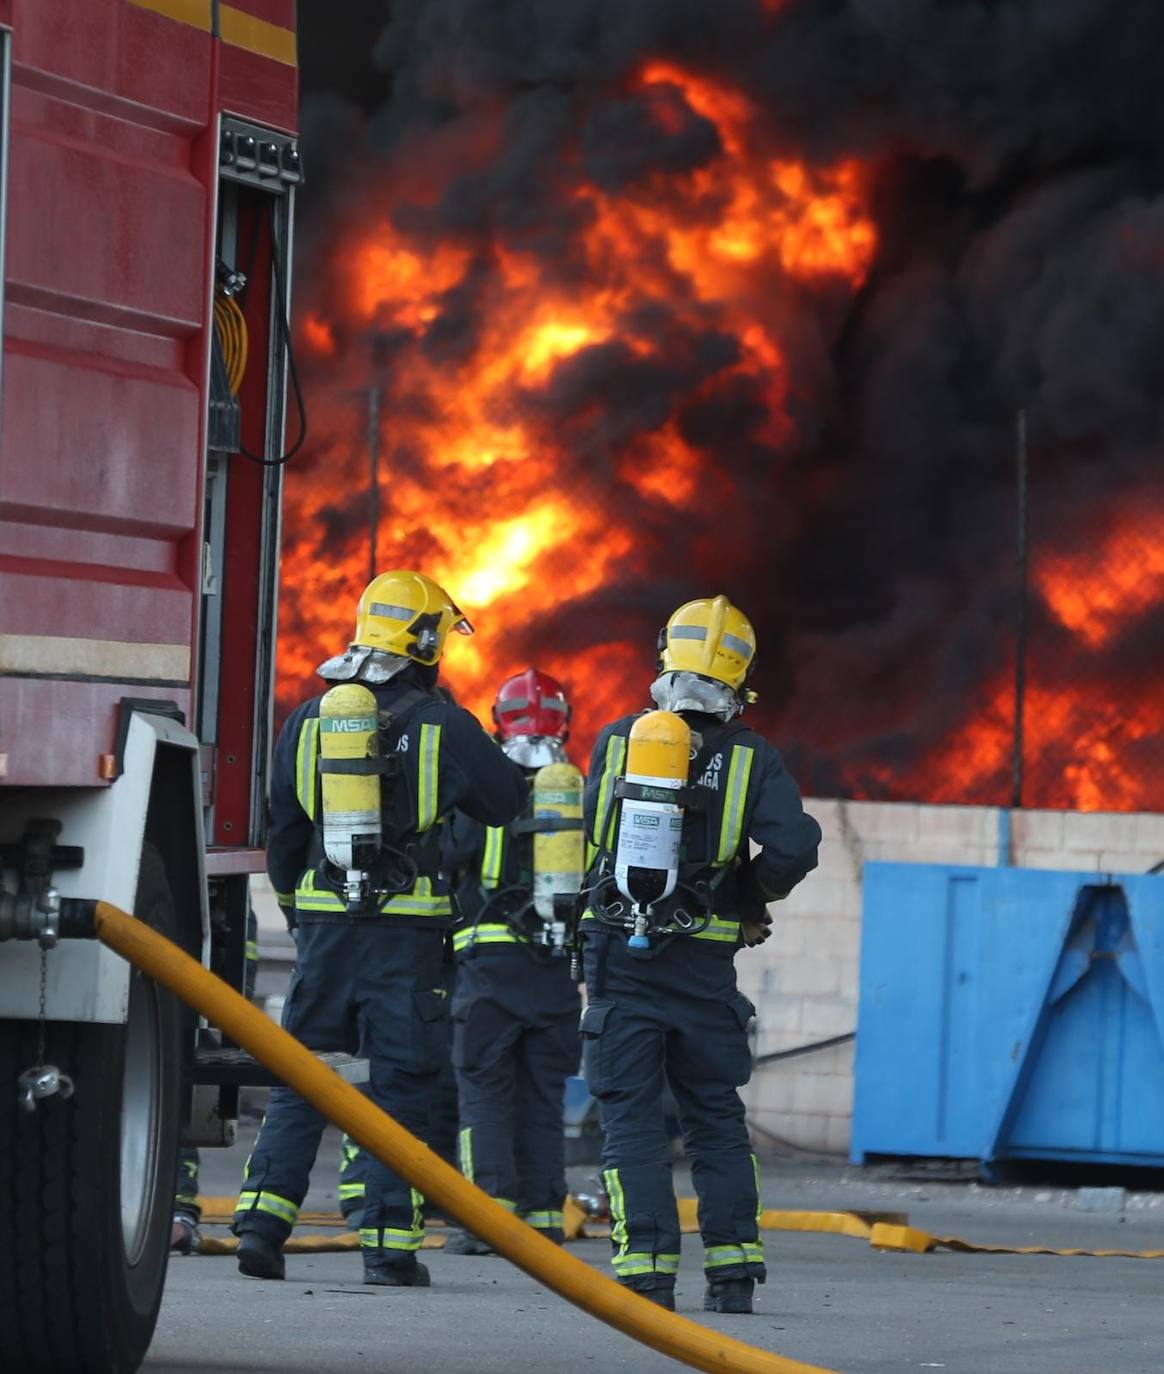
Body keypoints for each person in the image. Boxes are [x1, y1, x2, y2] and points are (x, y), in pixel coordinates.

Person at [232, 570, 527, 1287]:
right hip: (407, 940)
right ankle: (389, 1249)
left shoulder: (308, 719)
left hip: (325, 932)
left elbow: (283, 834)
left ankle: (263, 1227)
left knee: (305, 1076)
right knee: (403, 1083)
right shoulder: (443, 725)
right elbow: (505, 800)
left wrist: (303, 917)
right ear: (424, 641)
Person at [580, 595, 820, 1314]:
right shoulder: (752, 757)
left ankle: (646, 1275)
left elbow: (596, 834)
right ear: (738, 674)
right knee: (714, 1116)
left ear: (667, 658)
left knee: (630, 1123)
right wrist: (746, 895)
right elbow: (798, 847)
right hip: (705, 972)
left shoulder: (620, 739)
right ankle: (734, 1274)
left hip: (622, 960)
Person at [442, 669, 583, 1254]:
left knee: (485, 1091)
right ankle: (544, 1219)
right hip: (553, 971)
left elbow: (450, 859)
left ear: (499, 722)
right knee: (542, 1096)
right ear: (564, 724)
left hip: (489, 970)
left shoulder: (482, 789)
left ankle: (486, 1219)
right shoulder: (578, 794)